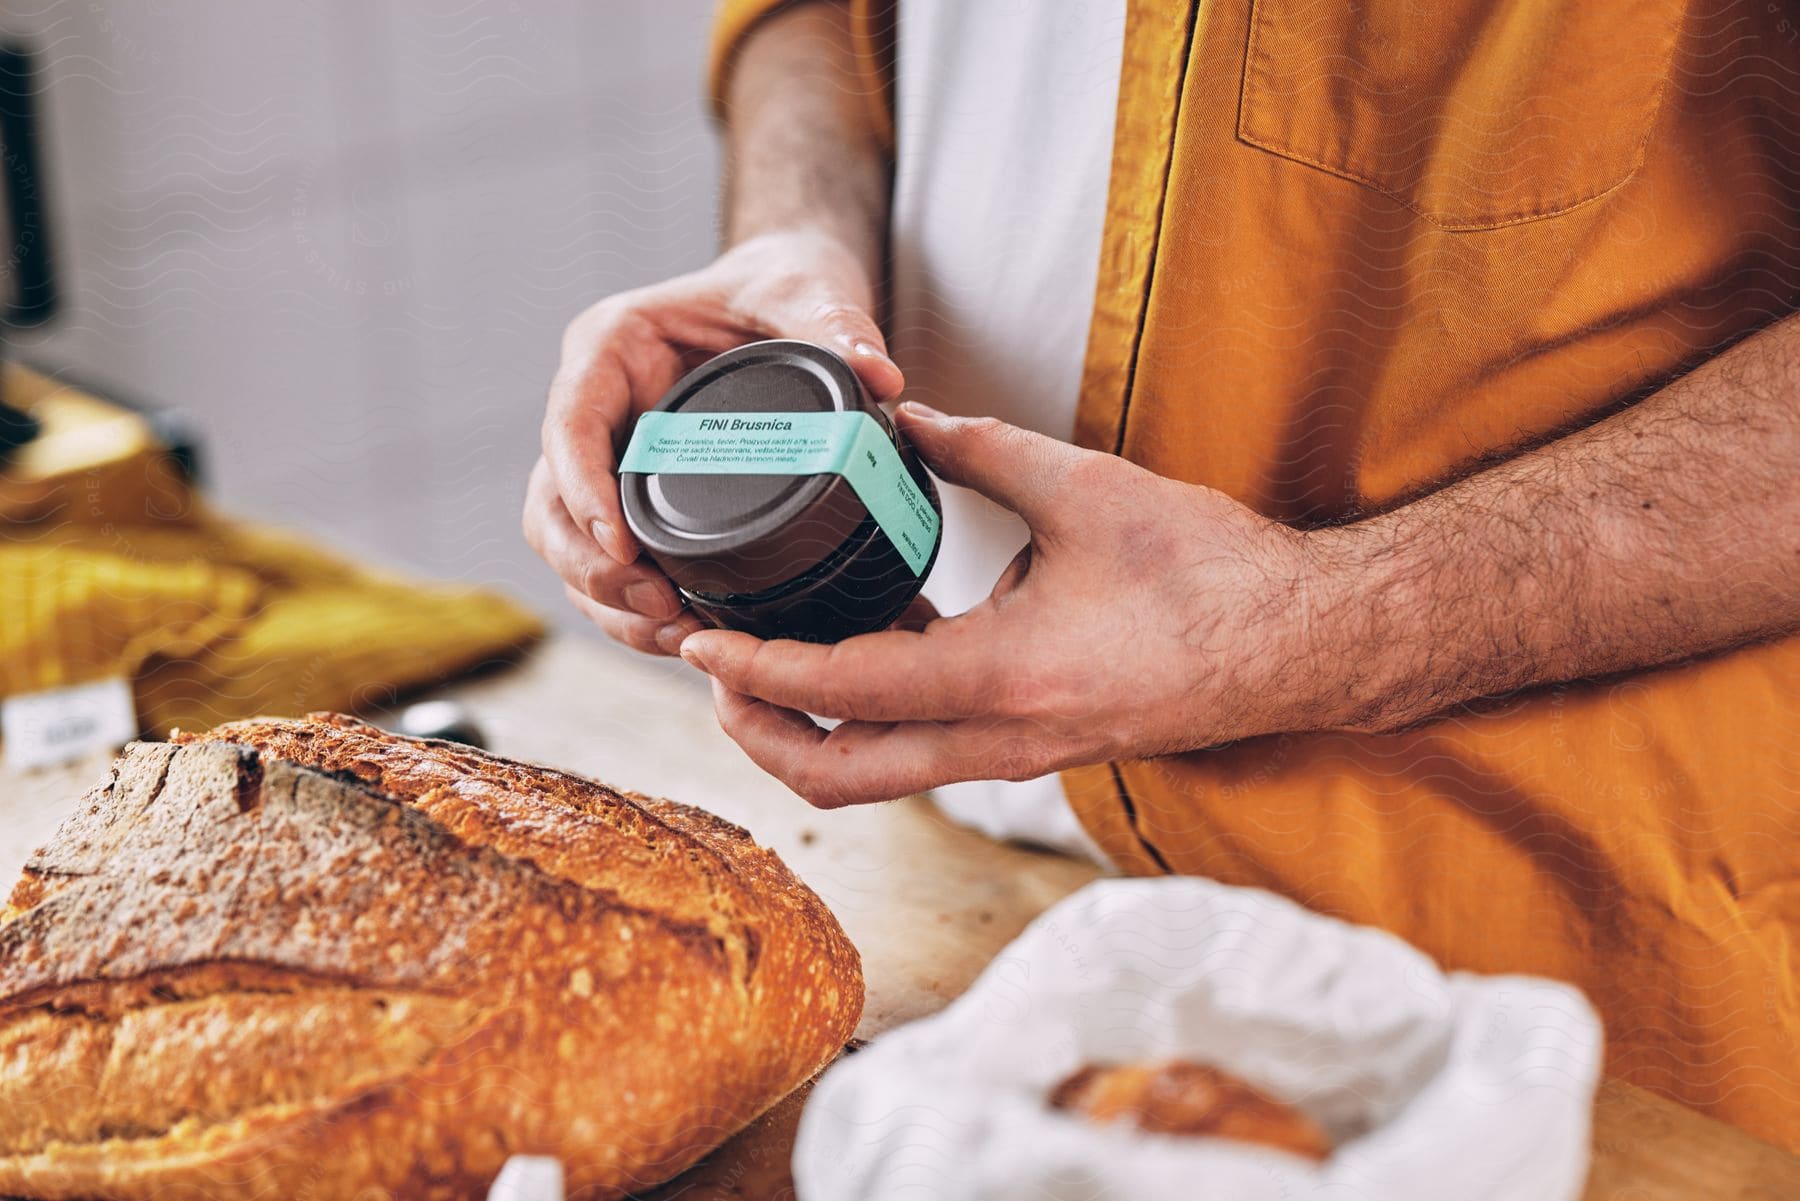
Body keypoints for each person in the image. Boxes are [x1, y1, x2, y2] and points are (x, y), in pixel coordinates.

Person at [524, 1, 1800, 1148]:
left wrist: (1313, 623)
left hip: (1547, 983)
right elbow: (807, 23)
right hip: (963, 874)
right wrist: (791, 237)